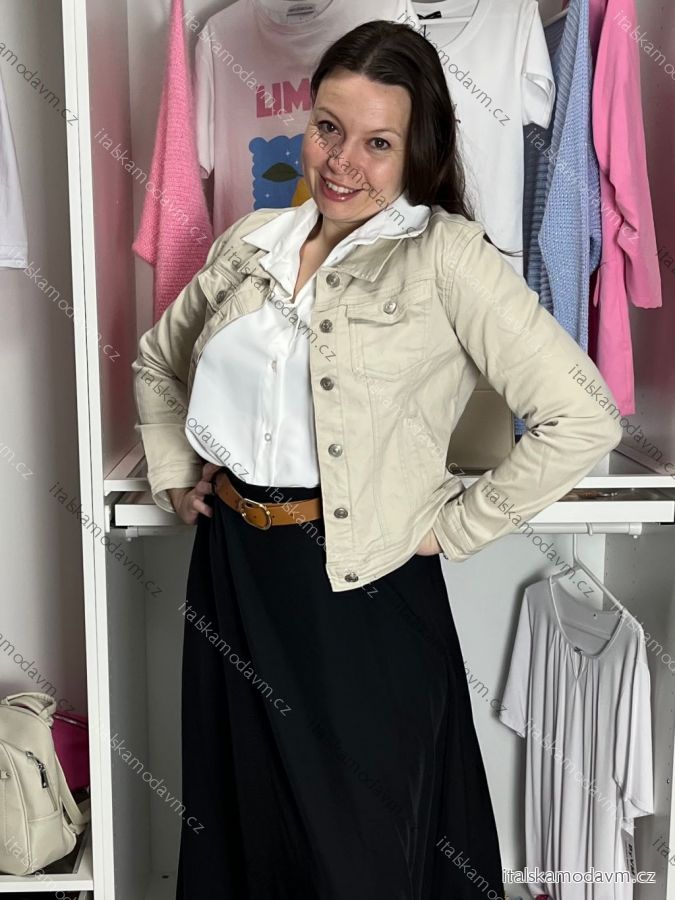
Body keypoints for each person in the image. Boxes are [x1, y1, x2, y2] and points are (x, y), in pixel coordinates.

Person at [131, 19, 622, 900]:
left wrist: (453, 529)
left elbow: (582, 416)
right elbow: (157, 361)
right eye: (328, 127)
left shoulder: (447, 258)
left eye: (377, 143)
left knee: (359, 857)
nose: (342, 163)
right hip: (234, 571)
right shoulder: (251, 243)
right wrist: (175, 470)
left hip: (361, 590)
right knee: (244, 838)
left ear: (417, 149)